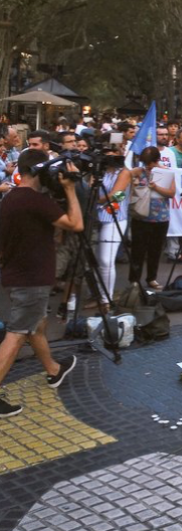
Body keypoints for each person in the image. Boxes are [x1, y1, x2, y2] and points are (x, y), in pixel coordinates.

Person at [0, 149, 83, 417]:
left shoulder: (10, 198)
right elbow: (76, 223)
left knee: (35, 326)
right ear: (38, 170)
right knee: (16, 336)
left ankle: (53, 370)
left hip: (16, 275)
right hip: (32, 279)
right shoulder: (35, 201)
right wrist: (70, 189)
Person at [127, 146, 176, 291]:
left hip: (160, 218)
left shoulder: (166, 173)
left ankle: (151, 278)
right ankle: (134, 280)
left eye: (150, 163)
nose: (148, 166)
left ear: (157, 160)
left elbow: (172, 193)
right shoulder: (137, 172)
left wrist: (156, 188)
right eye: (145, 163)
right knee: (137, 250)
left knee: (155, 250)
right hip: (140, 217)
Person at [95, 143, 131, 304]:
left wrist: (96, 199)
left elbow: (115, 194)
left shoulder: (124, 172)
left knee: (106, 260)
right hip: (94, 218)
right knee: (94, 261)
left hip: (114, 218)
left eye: (113, 154)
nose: (110, 158)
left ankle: (106, 298)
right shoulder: (98, 170)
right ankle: (95, 294)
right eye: (106, 154)